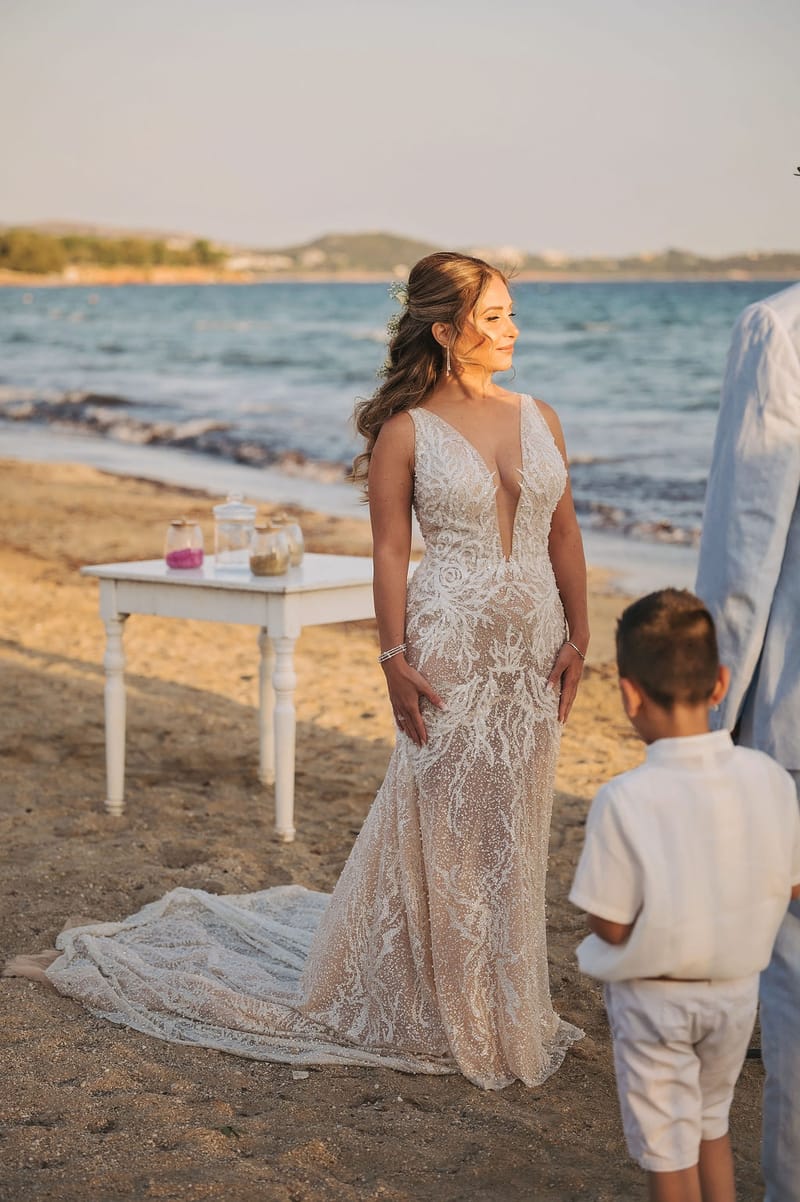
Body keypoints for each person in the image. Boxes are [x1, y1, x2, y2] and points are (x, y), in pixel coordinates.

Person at [4, 251, 587, 1090]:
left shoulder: (541, 415)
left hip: (532, 649)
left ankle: (505, 994)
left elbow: (563, 534)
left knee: (514, 820)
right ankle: (446, 999)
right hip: (449, 644)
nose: (511, 331)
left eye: (510, 314)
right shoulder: (406, 431)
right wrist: (393, 657)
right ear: (446, 330)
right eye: (493, 318)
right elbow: (390, 552)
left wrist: (580, 636)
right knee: (450, 820)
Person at [569, 589, 800, 1202]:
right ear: (721, 682)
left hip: (654, 1004)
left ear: (628, 695)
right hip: (734, 996)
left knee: (668, 1151)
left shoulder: (625, 799)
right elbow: (793, 881)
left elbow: (611, 926)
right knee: (711, 1124)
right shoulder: (770, 780)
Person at [695, 282, 800, 1200]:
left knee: (798, 989)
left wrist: (704, 717)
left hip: (798, 717)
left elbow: (745, 541)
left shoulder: (780, 330)